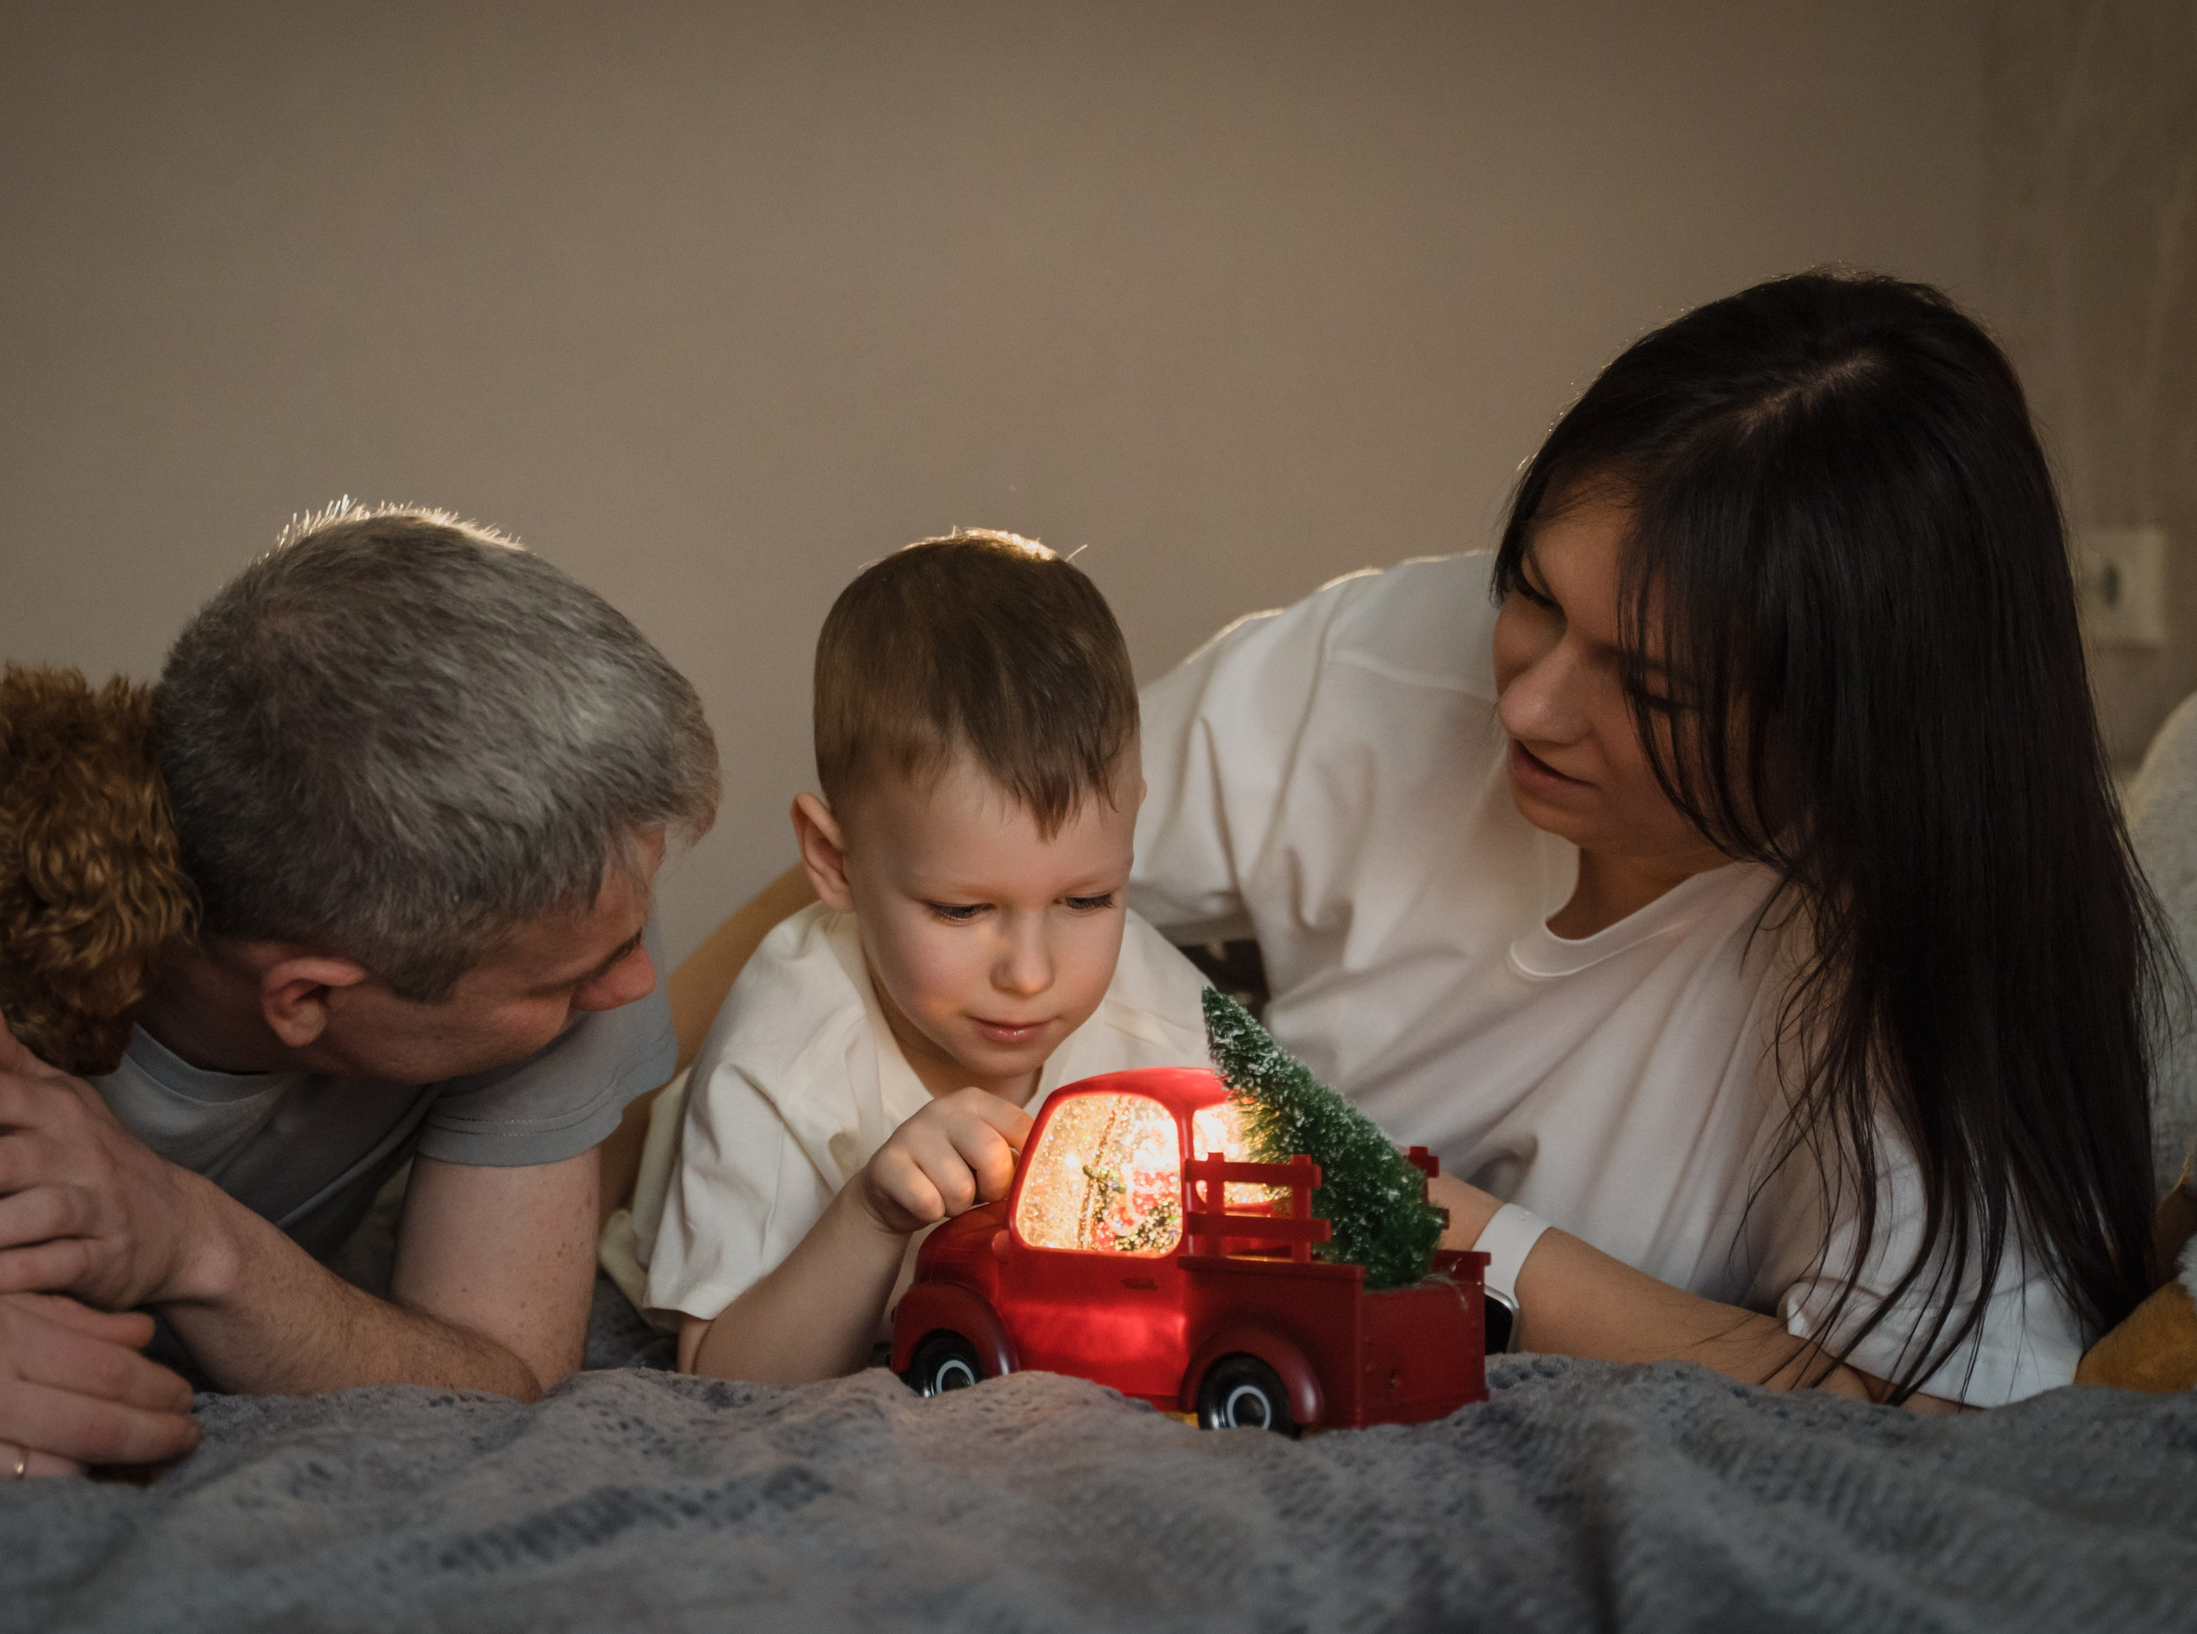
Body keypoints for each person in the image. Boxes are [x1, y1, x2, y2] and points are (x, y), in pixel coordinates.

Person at [654, 273, 2160, 1409]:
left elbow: (1904, 1409)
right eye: (1535, 592)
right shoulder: (1389, 666)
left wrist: (1455, 1231)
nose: (1532, 697)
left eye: (1649, 688)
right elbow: (958, 829)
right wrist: (613, 1090)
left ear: (1846, 735)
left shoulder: (1916, 955)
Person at [0, 504, 718, 1487]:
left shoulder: (569, 901)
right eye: (575, 979)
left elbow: (503, 1373)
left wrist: (189, 1237)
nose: (630, 984)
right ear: (304, 1000)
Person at [640, 531, 1210, 1383]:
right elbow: (727, 1378)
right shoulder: (782, 1058)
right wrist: (870, 1215)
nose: (1029, 972)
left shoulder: (1161, 1009)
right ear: (834, 863)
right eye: (962, 909)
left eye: (1086, 899)